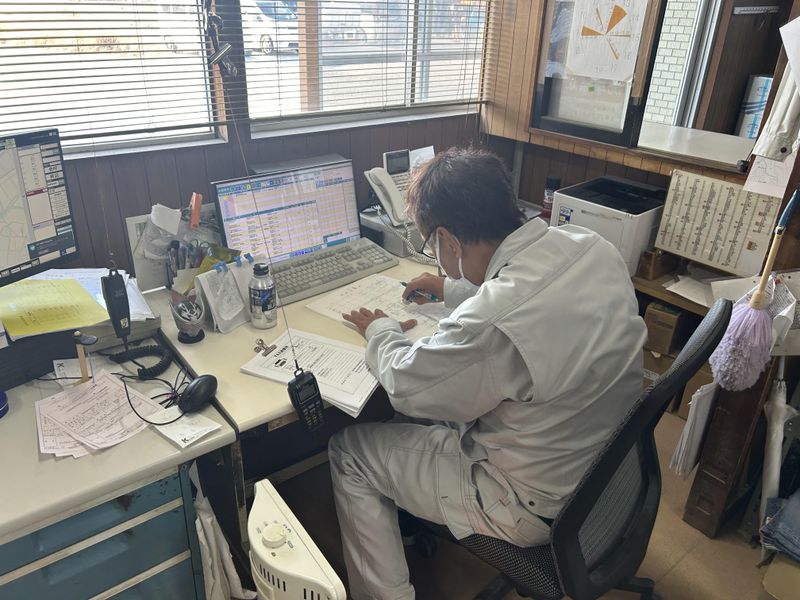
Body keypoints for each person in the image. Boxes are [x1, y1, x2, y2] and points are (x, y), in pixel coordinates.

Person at [329, 147, 646, 600]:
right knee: (428, 416)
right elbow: (530, 293)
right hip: (598, 468)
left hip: (527, 501)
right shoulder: (591, 246)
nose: (435, 256)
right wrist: (451, 288)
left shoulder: (490, 323)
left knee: (350, 451)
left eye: (430, 247)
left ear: (448, 240)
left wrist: (380, 330)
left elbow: (404, 383)